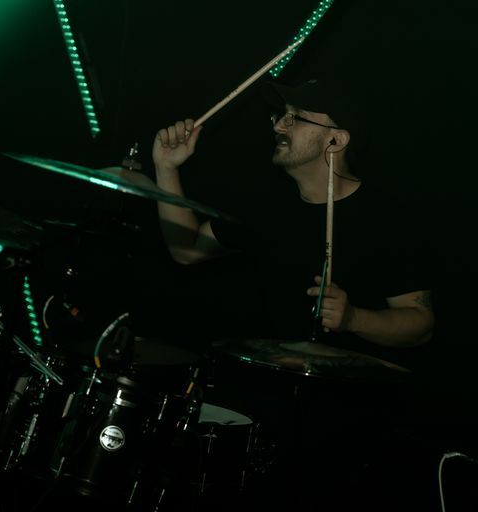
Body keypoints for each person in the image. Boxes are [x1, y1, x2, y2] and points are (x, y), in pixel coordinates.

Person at [151, 78, 436, 511]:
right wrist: (167, 169)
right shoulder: (266, 205)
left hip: (341, 433)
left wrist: (354, 318)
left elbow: (421, 324)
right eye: (280, 115)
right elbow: (185, 250)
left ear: (336, 140)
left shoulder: (386, 220)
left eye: (295, 118)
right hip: (255, 413)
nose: (278, 125)